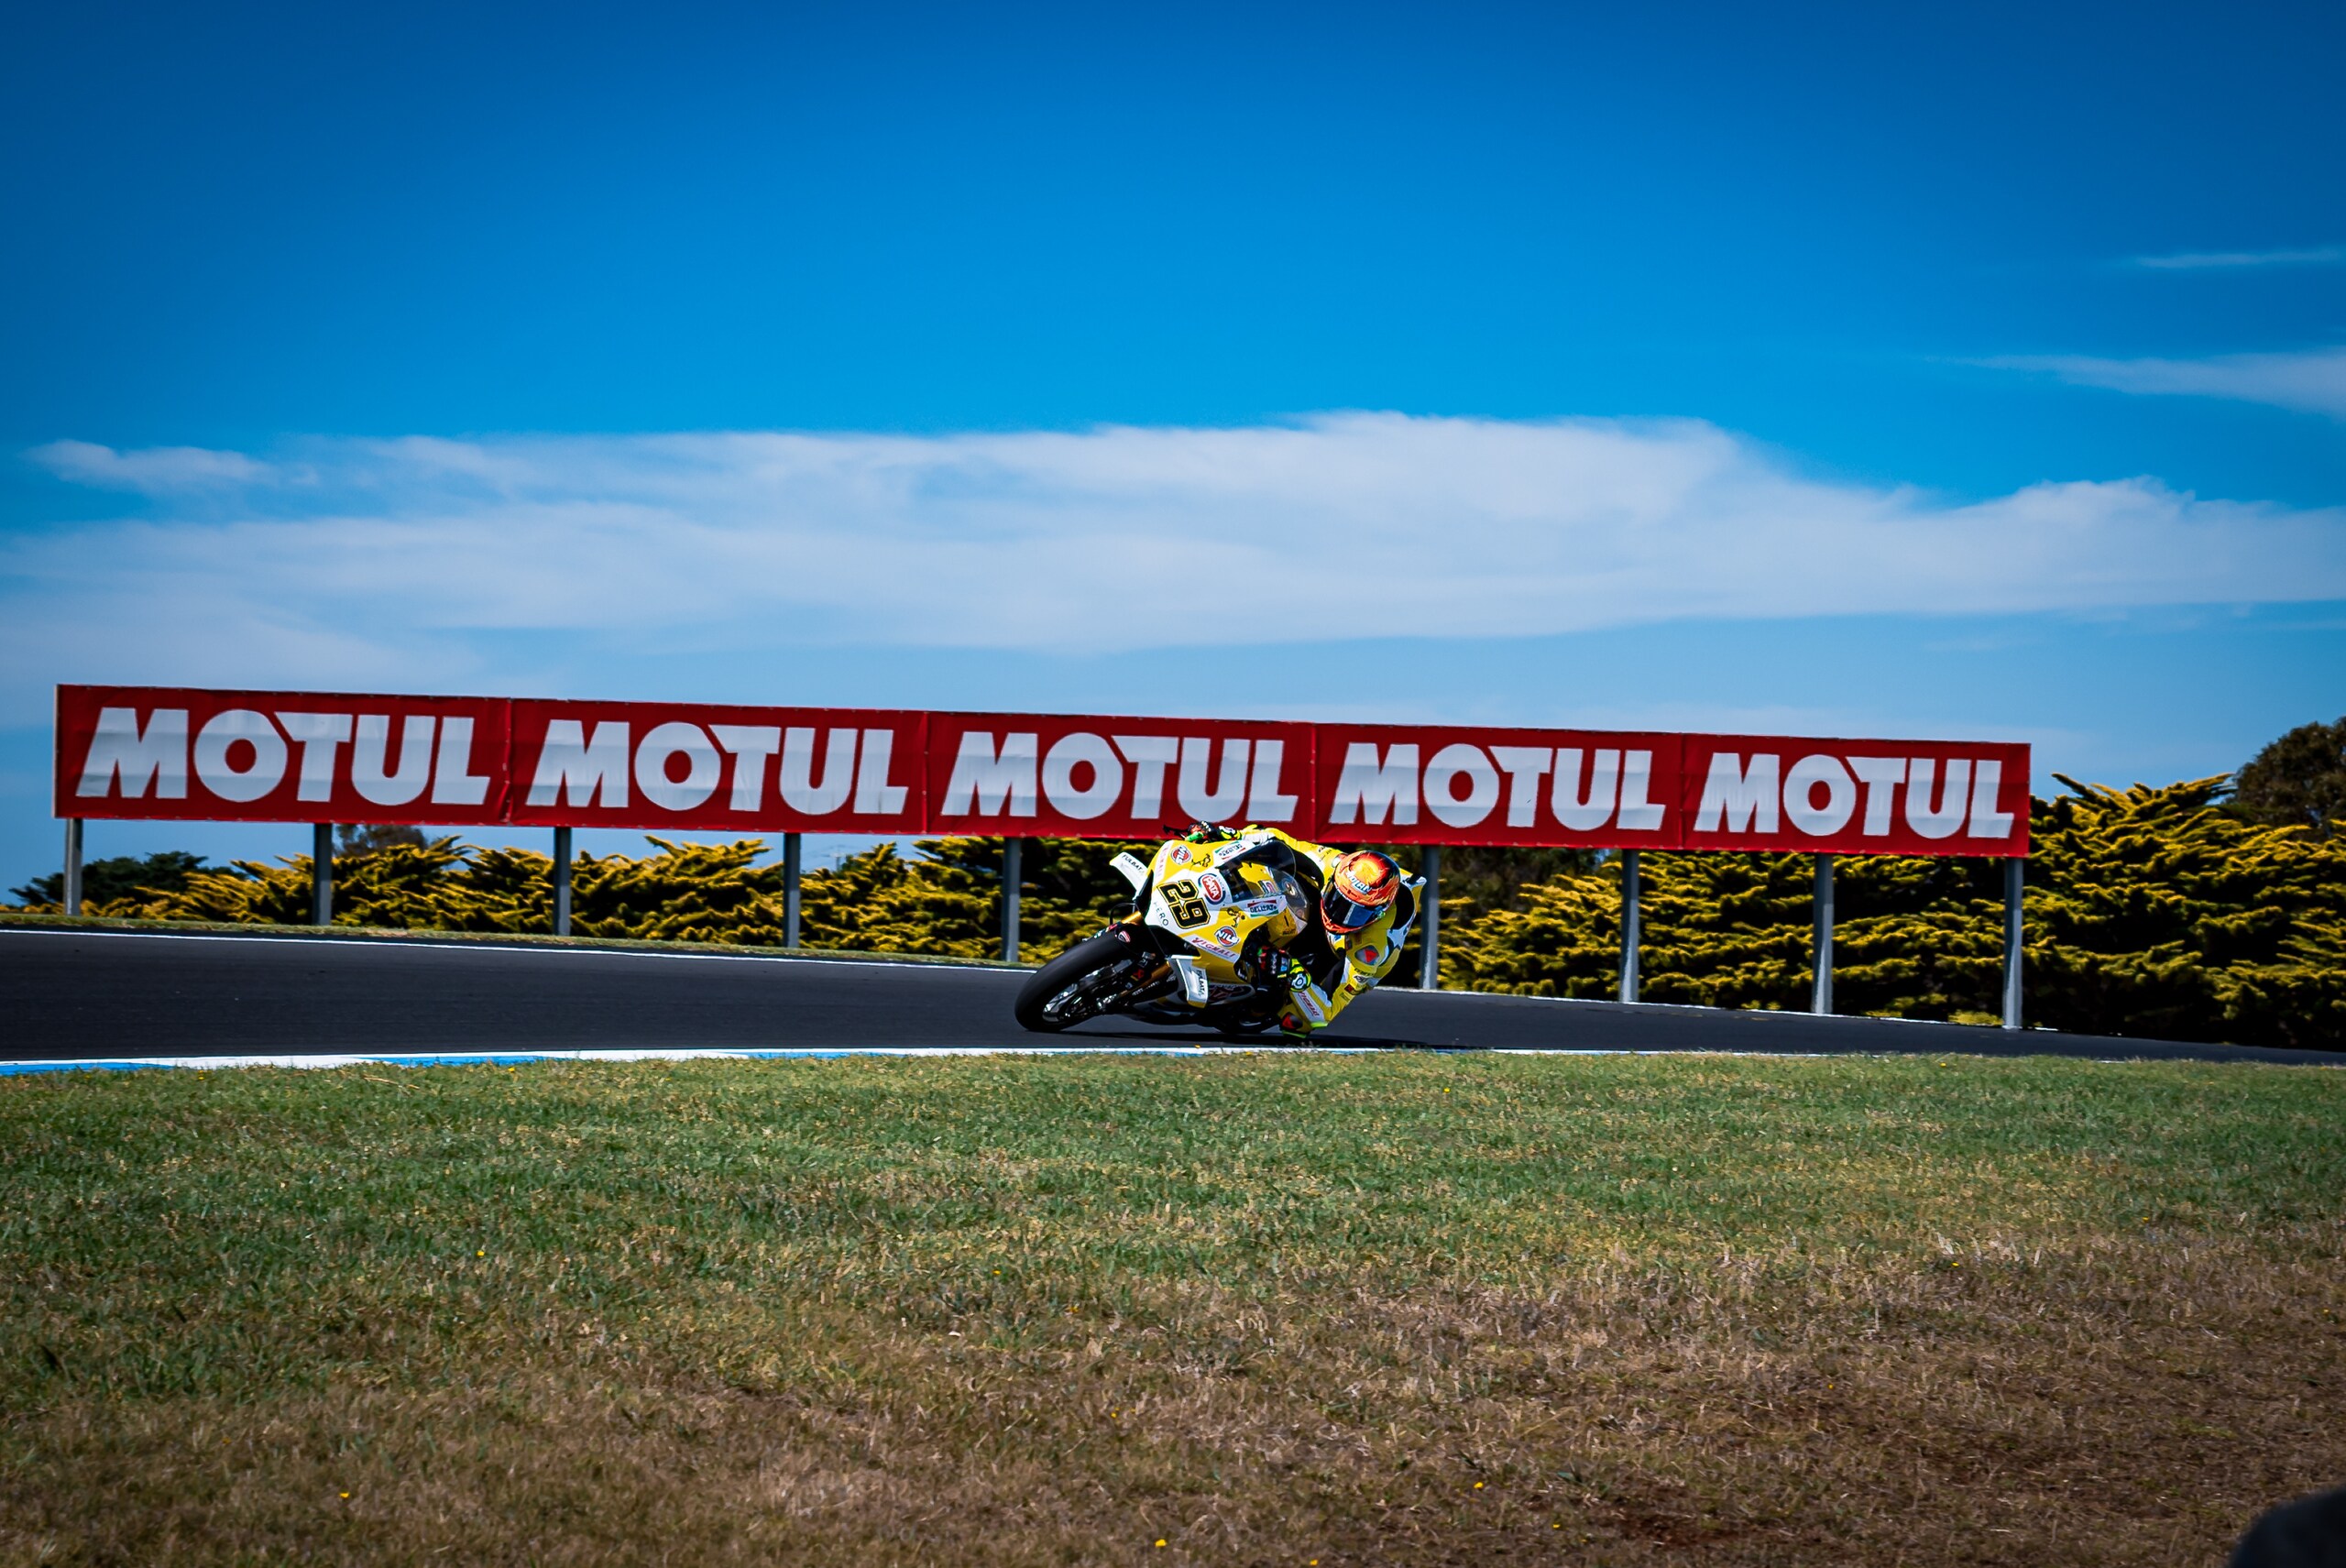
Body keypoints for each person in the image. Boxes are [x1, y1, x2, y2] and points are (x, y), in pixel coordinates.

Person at [1180, 823, 1421, 1038]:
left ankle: (1266, 983)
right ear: (1336, 880)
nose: (1339, 915)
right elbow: (1277, 839)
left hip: (1343, 951)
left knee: (1297, 1024)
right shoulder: (1334, 864)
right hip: (1327, 902)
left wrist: (1293, 972)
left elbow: (1326, 1012)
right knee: (1282, 871)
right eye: (1337, 900)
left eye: (1355, 913)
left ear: (1376, 914)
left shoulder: (1370, 950)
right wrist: (1228, 834)